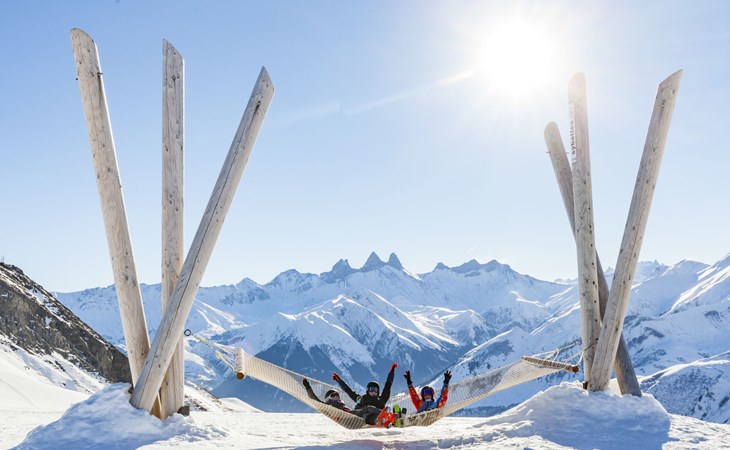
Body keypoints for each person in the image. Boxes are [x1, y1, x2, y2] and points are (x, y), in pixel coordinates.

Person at [302, 378, 382, 425]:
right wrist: (308, 387)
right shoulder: (327, 406)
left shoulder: (339, 402)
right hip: (346, 416)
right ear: (329, 398)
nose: (336, 397)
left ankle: (378, 419)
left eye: (337, 395)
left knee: (366, 414)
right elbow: (315, 400)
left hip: (351, 414)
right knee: (367, 408)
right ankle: (382, 414)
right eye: (333, 396)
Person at [332, 362, 398, 410]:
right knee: (359, 409)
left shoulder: (381, 400)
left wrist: (392, 372)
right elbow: (349, 391)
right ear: (368, 390)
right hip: (361, 417)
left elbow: (388, 386)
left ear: (378, 392)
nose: (373, 392)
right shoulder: (362, 399)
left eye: (375, 390)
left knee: (383, 410)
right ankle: (338, 406)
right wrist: (339, 381)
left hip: (377, 418)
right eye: (371, 389)